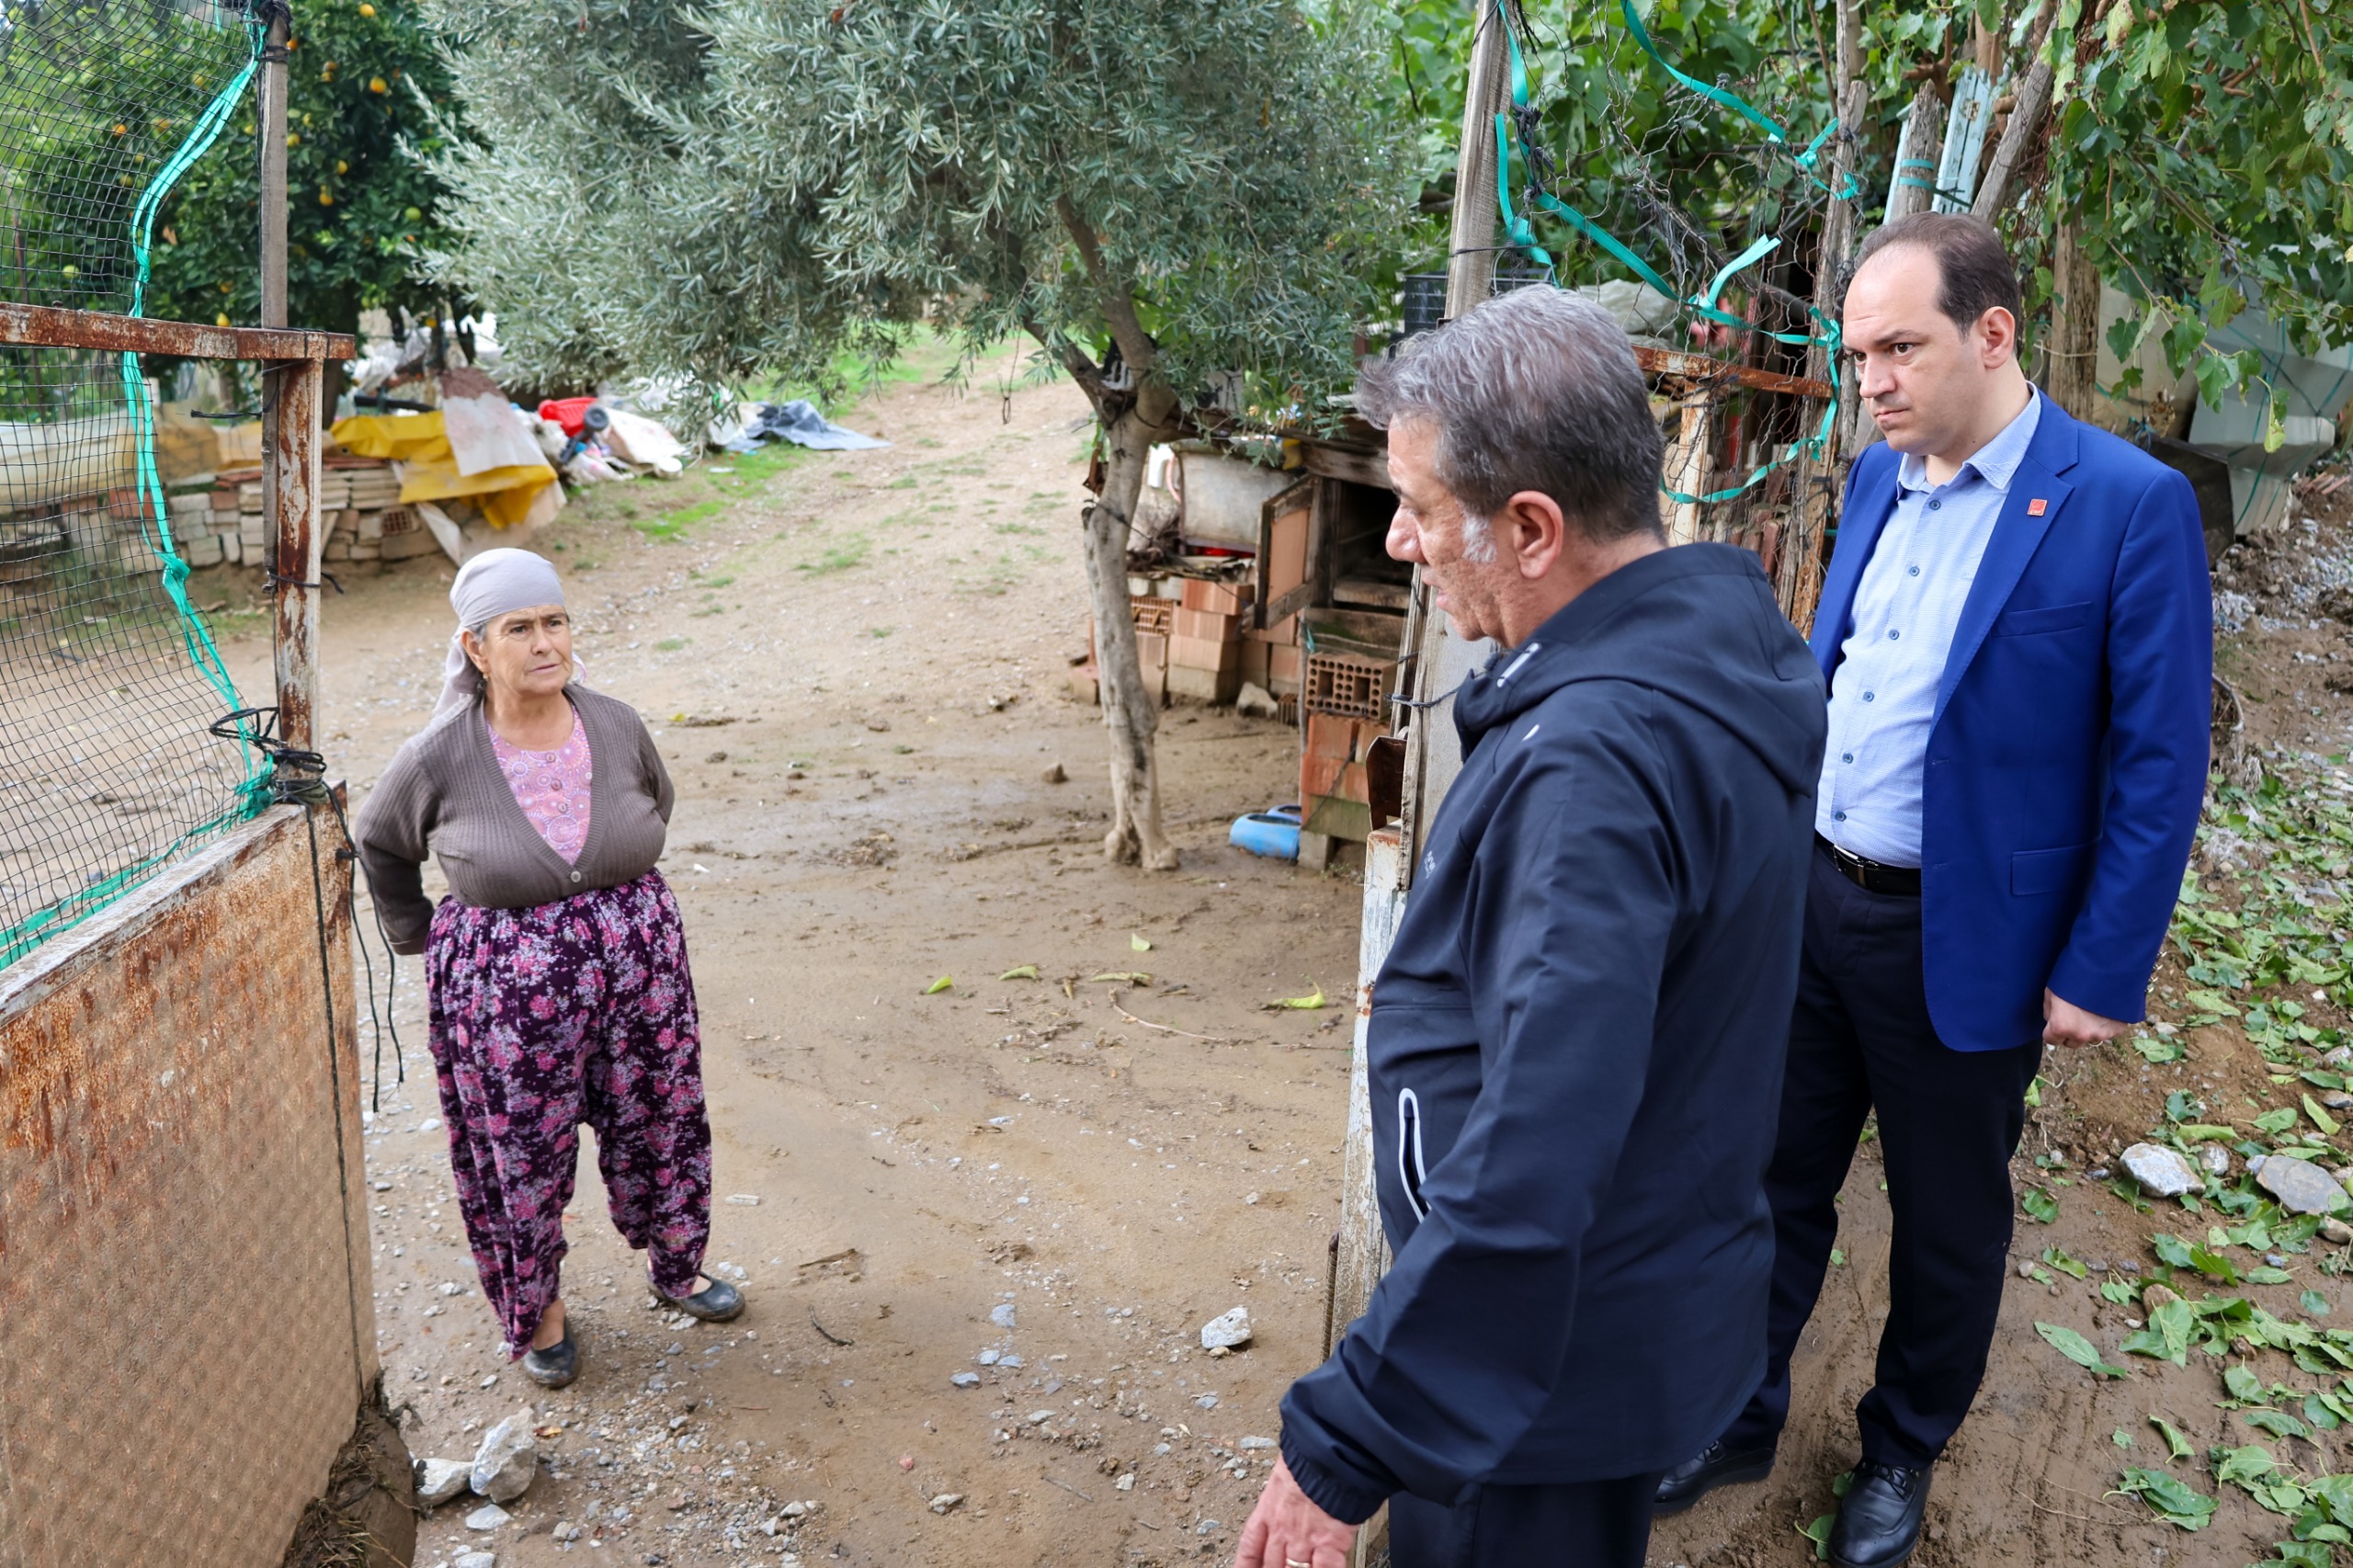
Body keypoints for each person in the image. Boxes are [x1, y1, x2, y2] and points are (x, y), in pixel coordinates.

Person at [1233, 287, 1827, 1568]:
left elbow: (1538, 1146)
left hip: (1532, 1374)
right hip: (1620, 1309)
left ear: (1535, 528)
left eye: (1425, 512)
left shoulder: (1594, 766)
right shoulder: (1712, 636)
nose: (1401, 541)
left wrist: (1346, 1441)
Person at [1654, 213, 2211, 1567]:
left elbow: (2158, 761)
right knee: (1768, 1175)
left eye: (1900, 348)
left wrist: (2099, 963)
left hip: (1966, 935)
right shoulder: (1876, 477)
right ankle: (1738, 1403)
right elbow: (1836, 677)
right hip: (1811, 904)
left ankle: (1901, 1446)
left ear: (1994, 333)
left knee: (1948, 1218)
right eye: (1858, 357)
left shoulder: (2125, 505)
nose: (1875, 381)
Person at [354, 548, 742, 1391]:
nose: (544, 643)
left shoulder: (614, 723)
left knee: (663, 1118)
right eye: (519, 628)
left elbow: (654, 804)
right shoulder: (440, 755)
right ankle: (540, 1312)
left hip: (640, 964)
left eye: (555, 622)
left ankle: (679, 1266)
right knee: (521, 1151)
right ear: (475, 647)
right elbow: (381, 842)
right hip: (504, 986)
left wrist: (611, 891)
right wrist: (422, 933)